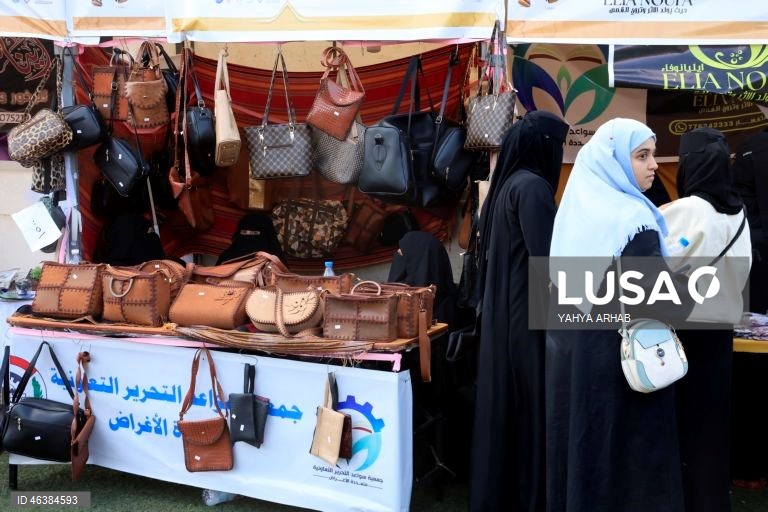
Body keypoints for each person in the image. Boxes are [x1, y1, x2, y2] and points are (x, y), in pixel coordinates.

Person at [547, 118, 694, 512]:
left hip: (576, 360)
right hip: (628, 368)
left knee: (584, 448)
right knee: (631, 464)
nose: (652, 165)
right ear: (614, 161)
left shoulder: (574, 211)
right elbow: (657, 304)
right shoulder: (635, 221)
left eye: (652, 154)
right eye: (642, 155)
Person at [469, 110, 569, 512]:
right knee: (528, 408)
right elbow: (549, 260)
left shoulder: (507, 184)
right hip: (524, 319)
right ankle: (529, 497)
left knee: (505, 410)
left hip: (503, 316)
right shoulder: (532, 189)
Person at [659, 127, 751, 512]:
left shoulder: (688, 210)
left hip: (685, 333)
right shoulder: (740, 214)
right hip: (720, 335)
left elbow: (654, 263)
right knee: (711, 432)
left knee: (680, 431)